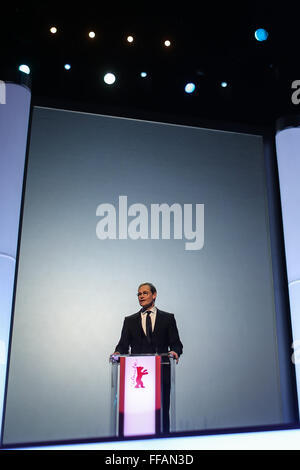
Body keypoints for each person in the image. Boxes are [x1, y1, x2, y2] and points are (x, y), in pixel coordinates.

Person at [113, 282, 183, 433]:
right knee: (138, 412)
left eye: (145, 293)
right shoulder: (130, 321)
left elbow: (177, 345)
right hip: (139, 379)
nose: (141, 296)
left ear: (154, 295)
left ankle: (164, 442)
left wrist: (175, 352)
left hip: (161, 372)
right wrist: (118, 353)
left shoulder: (168, 319)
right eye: (139, 294)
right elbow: (122, 346)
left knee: (162, 412)